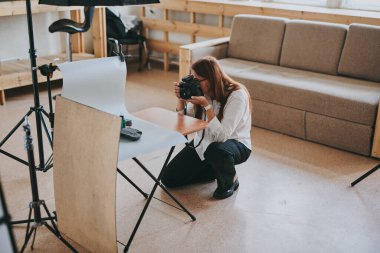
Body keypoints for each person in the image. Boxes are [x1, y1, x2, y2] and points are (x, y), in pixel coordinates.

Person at [161, 56, 252, 199]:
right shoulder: (202, 92)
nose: (194, 83)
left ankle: (230, 181)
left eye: (198, 80)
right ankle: (214, 169)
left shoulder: (237, 96)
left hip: (234, 144)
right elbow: (182, 124)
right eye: (193, 78)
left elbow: (222, 136)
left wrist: (206, 106)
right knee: (168, 179)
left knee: (215, 150)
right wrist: (181, 100)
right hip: (204, 145)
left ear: (211, 78)